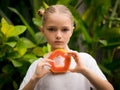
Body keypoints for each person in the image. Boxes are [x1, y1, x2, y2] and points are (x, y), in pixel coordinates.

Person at [19, 4, 114, 90]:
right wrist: (35, 78)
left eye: (64, 30)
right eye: (52, 29)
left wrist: (84, 71)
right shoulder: (39, 66)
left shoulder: (84, 60)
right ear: (43, 31)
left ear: (72, 31)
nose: (58, 35)